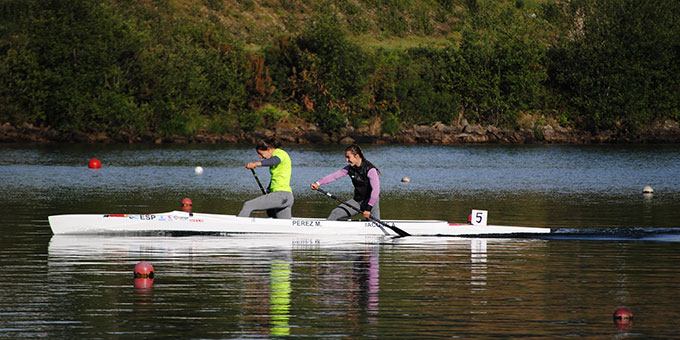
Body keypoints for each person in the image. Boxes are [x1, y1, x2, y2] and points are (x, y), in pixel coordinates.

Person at [311, 144, 381, 220]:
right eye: (346, 157)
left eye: (348, 157)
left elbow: (376, 191)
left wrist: (368, 208)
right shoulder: (349, 169)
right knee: (335, 213)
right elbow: (334, 176)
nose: (346, 160)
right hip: (357, 201)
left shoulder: (370, 170)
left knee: (373, 223)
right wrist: (317, 183)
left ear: (356, 156)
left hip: (370, 202)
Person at [238, 137, 294, 219]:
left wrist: (256, 164)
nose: (260, 157)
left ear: (268, 149)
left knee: (248, 205)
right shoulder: (279, 156)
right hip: (286, 198)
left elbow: (274, 161)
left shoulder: (280, 153)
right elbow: (277, 178)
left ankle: (238, 228)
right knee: (283, 225)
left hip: (281, 196)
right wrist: (268, 189)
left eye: (261, 154)